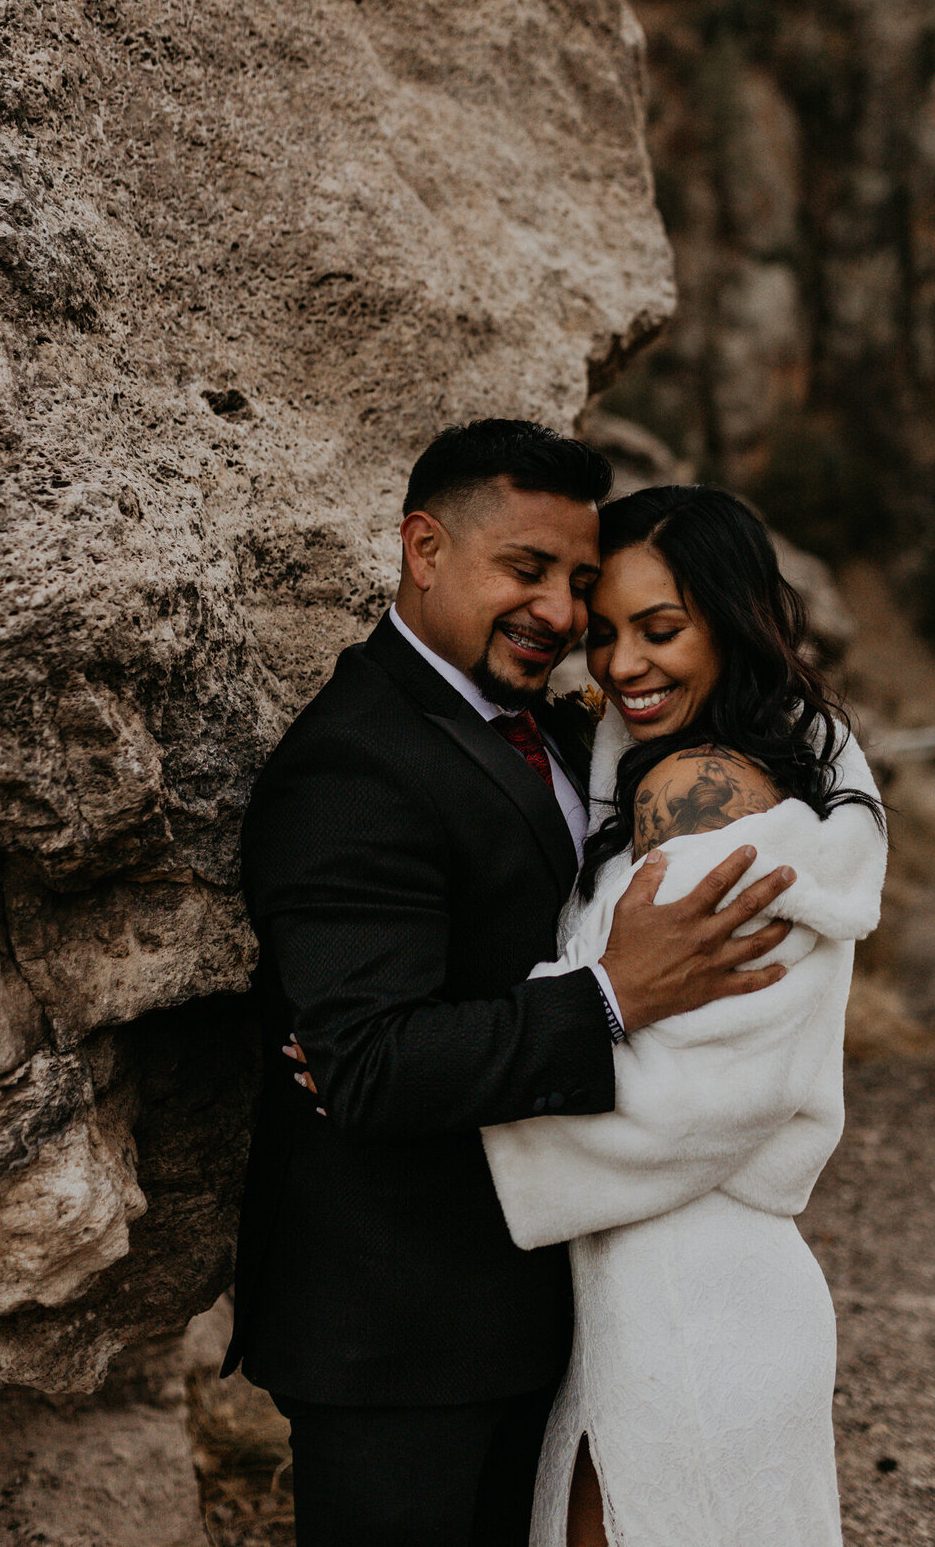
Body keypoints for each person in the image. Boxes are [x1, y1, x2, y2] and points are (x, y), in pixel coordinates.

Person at [223, 423, 798, 1547]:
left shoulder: (546, 728)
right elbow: (371, 1065)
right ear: (424, 549)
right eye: (525, 569)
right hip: (399, 1339)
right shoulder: (354, 761)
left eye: (579, 581)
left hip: (533, 1306)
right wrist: (614, 995)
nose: (560, 612)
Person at [481, 485, 888, 1547]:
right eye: (606, 634)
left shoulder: (696, 798)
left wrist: (445, 1079)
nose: (623, 667)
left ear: (734, 619)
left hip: (692, 1306)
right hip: (675, 1290)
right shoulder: (716, 775)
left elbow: (690, 1091)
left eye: (663, 630)